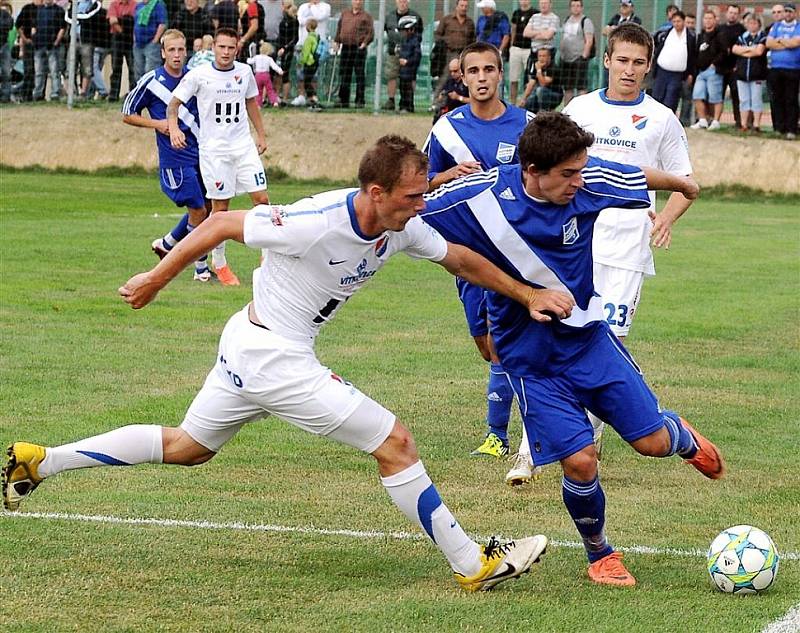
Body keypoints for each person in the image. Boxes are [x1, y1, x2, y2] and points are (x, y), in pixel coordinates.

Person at [3, 134, 562, 594]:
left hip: (252, 344)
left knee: (187, 448)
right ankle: (473, 564)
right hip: (273, 355)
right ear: (376, 191)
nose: (423, 205)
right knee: (395, 442)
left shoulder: (400, 225)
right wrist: (154, 279)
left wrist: (525, 293)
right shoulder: (314, 220)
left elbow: (458, 258)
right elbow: (220, 225)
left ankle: (39, 461)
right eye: (414, 196)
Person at [421, 111, 722, 588]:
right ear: (532, 171)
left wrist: (684, 185)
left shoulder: (586, 183)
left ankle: (678, 436)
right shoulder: (480, 197)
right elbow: (412, 206)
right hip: (530, 361)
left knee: (651, 445)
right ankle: (600, 554)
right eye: (568, 174)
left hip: (588, 343)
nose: (579, 182)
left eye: (581, 170)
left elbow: (631, 174)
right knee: (581, 461)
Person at [508, 22, 696, 486]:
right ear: (607, 60)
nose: (630, 70)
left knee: (605, 346)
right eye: (622, 60)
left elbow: (685, 182)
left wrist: (666, 218)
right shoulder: (581, 109)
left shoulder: (662, 118)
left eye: (639, 62)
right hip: (570, 250)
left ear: (649, 67)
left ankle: (584, 444)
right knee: (547, 344)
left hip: (626, 254)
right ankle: (530, 451)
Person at [424, 41, 533, 460]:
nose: (482, 78)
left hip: (515, 252)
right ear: (463, 77)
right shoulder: (448, 129)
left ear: (500, 74)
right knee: (487, 346)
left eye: (490, 69)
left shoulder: (527, 125)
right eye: (474, 71)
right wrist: (448, 174)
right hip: (467, 253)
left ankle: (501, 436)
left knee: (508, 345)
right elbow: (422, 182)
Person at [168, 27, 269, 286]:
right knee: (220, 209)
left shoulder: (244, 72)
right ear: (214, 48)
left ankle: (267, 260)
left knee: (262, 200)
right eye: (221, 47)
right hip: (215, 151)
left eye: (230, 48)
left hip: (243, 146)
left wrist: (261, 135)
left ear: (237, 48)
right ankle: (220, 262)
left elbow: (251, 104)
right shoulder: (200, 75)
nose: (226, 52)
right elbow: (174, 104)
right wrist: (174, 128)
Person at [123, 28, 211, 282]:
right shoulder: (151, 81)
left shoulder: (194, 78)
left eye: (181, 49)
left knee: (206, 207)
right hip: (175, 158)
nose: (176, 55)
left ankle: (168, 244)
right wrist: (159, 124)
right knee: (197, 210)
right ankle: (200, 269)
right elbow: (127, 114)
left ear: (187, 52)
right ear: (162, 53)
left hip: (201, 153)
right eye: (171, 50)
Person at [766, 2, 800, 139]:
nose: (787, 14)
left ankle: (791, 129)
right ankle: (779, 128)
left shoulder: (798, 26)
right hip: (775, 67)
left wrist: (779, 41)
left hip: (793, 68)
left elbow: (796, 43)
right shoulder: (776, 26)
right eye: (786, 11)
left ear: (795, 13)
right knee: (777, 99)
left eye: (790, 11)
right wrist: (786, 43)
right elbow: (769, 43)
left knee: (791, 99)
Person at [381, 0, 422, 112]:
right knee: (391, 75)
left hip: (409, 52)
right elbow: (386, 31)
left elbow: (419, 34)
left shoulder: (415, 17)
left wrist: (411, 48)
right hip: (393, 51)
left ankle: (408, 102)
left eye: (404, 1)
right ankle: (391, 100)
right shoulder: (390, 16)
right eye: (400, 1)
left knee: (409, 77)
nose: (402, 3)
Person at [652, 9, 695, 113]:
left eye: (678, 21)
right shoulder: (666, 33)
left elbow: (692, 56)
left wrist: (690, 73)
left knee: (671, 100)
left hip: (677, 75)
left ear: (684, 21)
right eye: (674, 21)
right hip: (662, 72)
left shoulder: (690, 37)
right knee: (657, 97)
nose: (676, 24)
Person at [331, 0, 372, 109]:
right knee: (344, 74)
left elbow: (370, 32)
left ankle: (359, 100)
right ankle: (343, 100)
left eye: (359, 0)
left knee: (359, 75)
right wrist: (337, 41)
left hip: (358, 48)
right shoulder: (345, 14)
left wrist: (365, 42)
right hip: (346, 47)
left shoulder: (366, 16)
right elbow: (339, 29)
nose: (357, 2)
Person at [690, 10, 726, 130]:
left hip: (714, 71)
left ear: (715, 20)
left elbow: (724, 52)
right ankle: (702, 120)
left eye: (710, 18)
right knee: (697, 95)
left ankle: (715, 121)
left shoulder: (720, 34)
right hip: (701, 72)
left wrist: (714, 64)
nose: (708, 21)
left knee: (715, 97)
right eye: (705, 18)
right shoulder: (701, 36)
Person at [733, 12, 767, 133]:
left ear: (759, 24)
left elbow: (759, 52)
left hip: (756, 74)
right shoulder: (742, 37)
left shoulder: (762, 36)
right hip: (742, 74)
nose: (752, 25)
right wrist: (750, 49)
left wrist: (744, 50)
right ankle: (744, 124)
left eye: (754, 23)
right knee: (744, 100)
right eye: (750, 23)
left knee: (756, 99)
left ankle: (756, 125)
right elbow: (735, 49)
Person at [291, 0, 329, 106]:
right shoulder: (303, 6)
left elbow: (318, 17)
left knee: (313, 76)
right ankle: (301, 96)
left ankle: (312, 98)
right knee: (300, 75)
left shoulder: (325, 7)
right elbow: (301, 20)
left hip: (314, 49)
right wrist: (309, 17)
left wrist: (312, 8)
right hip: (301, 45)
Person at [559, 0, 594, 106]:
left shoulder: (586, 21)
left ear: (582, 7)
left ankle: (582, 110)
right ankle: (567, 113)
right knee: (568, 88)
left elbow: (589, 40)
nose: (575, 8)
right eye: (573, 6)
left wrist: (584, 57)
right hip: (566, 60)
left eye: (578, 6)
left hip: (579, 58)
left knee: (581, 88)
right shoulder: (567, 20)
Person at [717, 4, 745, 130]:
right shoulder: (720, 28)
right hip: (720, 68)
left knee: (736, 95)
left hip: (735, 69)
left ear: (738, 15)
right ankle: (714, 121)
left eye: (735, 13)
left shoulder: (742, 30)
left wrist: (738, 66)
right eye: (730, 12)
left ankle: (739, 122)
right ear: (726, 13)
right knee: (717, 96)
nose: (732, 15)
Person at [32, 0, 65, 101]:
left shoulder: (59, 10)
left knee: (54, 71)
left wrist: (56, 41)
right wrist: (34, 38)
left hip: (52, 47)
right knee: (39, 72)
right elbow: (34, 27)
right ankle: (38, 94)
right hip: (39, 46)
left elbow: (62, 28)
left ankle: (55, 93)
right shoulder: (38, 10)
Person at [519, 45, 562, 113]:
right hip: (541, 94)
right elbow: (531, 83)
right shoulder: (537, 66)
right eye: (540, 56)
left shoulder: (553, 67)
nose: (541, 58)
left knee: (540, 90)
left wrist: (539, 70)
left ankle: (544, 113)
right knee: (530, 100)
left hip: (555, 95)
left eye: (544, 56)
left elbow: (543, 83)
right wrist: (523, 99)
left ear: (549, 57)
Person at [107, 0, 136, 101]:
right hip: (118, 39)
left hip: (131, 39)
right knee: (116, 68)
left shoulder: (134, 4)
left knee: (132, 68)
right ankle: (113, 95)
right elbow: (113, 21)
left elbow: (136, 19)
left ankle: (133, 95)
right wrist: (123, 31)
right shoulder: (114, 4)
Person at [132, 0, 167, 81]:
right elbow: (136, 22)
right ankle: (140, 91)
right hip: (138, 44)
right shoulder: (139, 5)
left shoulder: (158, 4)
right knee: (138, 71)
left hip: (151, 44)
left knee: (150, 71)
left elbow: (162, 24)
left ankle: (150, 92)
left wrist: (155, 40)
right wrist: (134, 38)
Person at [508, 0, 535, 105]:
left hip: (529, 49)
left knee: (529, 78)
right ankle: (512, 103)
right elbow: (513, 29)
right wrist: (511, 45)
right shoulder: (516, 13)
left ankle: (527, 103)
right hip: (516, 49)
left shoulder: (534, 13)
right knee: (513, 78)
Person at [15, 0, 41, 101]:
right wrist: (25, 39)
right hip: (29, 44)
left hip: (42, 44)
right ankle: (26, 95)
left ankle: (39, 95)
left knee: (39, 71)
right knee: (29, 70)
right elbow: (18, 25)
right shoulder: (27, 9)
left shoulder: (45, 9)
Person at [432, 56, 469, 123]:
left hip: (464, 112)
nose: (452, 74)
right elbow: (444, 92)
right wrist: (441, 96)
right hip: (450, 111)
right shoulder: (450, 81)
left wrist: (459, 97)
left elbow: (475, 101)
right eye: (451, 71)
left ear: (461, 69)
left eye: (455, 71)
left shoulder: (468, 83)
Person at [274, 0, 298, 105]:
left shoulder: (293, 20)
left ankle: (285, 98)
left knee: (284, 73)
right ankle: (277, 97)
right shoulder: (284, 18)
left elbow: (295, 38)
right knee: (278, 73)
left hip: (287, 50)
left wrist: (285, 48)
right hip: (280, 49)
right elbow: (281, 36)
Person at [396, 13, 420, 113]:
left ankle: (408, 107)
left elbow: (417, 56)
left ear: (411, 30)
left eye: (405, 30)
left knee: (408, 89)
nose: (403, 33)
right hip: (403, 71)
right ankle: (402, 106)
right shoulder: (404, 41)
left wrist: (407, 62)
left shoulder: (415, 42)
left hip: (409, 71)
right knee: (402, 88)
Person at [248, 40, 282, 107]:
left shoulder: (256, 57)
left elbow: (250, 61)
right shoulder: (269, 58)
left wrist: (248, 59)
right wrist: (280, 70)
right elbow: (274, 66)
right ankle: (274, 101)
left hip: (258, 76)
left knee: (258, 90)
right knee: (270, 89)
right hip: (266, 75)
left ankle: (258, 104)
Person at [296, 15, 320, 109]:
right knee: (310, 81)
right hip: (315, 61)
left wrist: (301, 62)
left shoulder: (309, 38)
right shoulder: (317, 37)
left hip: (309, 62)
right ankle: (312, 100)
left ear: (308, 27)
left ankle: (313, 99)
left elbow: (306, 52)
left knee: (307, 82)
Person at [0, 0, 14, 102]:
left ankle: (6, 95)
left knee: (6, 72)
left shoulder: (5, 14)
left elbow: (9, 25)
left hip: (4, 45)